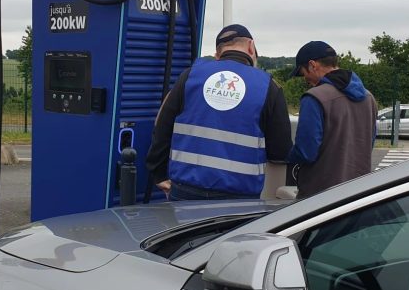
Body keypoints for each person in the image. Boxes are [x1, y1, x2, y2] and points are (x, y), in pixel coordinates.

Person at [146, 24, 292, 200]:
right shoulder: (269, 86)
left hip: (186, 189)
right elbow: (280, 150)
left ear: (217, 54)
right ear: (251, 47)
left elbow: (162, 125)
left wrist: (159, 173)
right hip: (239, 196)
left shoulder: (190, 76)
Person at [287, 40, 377, 198]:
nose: (304, 79)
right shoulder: (369, 98)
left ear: (313, 65)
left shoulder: (313, 98)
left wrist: (286, 154)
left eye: (302, 72)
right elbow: (368, 144)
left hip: (320, 195)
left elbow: (306, 152)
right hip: (357, 193)